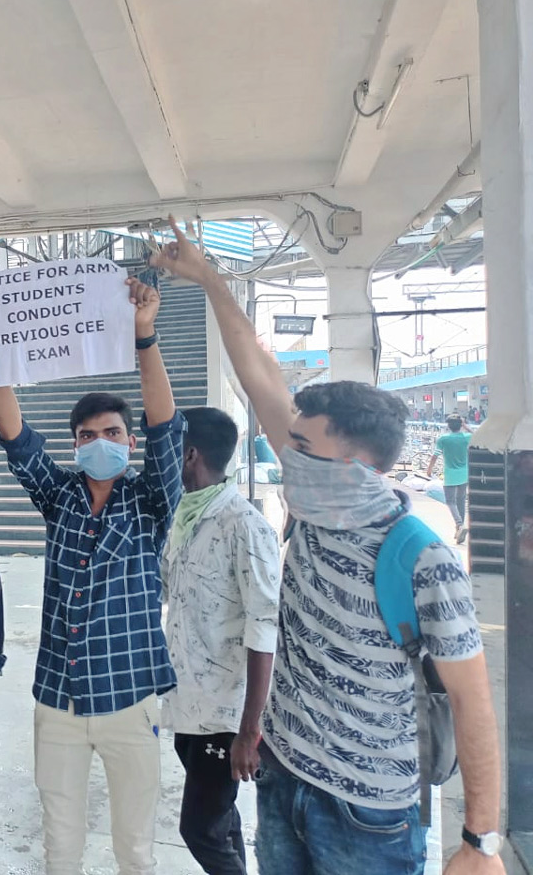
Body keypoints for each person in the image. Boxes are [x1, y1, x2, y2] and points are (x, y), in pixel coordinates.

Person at [153, 215, 505, 875]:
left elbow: (472, 699)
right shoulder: (314, 514)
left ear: (360, 465)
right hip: (283, 781)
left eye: (306, 449)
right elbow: (259, 375)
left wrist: (479, 840)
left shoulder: (423, 558)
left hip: (369, 811)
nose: (291, 457)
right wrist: (209, 280)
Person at [0, 277, 183, 875]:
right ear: (74, 445)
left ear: (129, 442)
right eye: (86, 436)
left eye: (111, 434)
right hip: (58, 703)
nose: (99, 443)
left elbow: (167, 429)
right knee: (60, 842)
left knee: (135, 848)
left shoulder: (150, 501)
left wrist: (145, 336)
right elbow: (15, 435)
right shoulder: (60, 498)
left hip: (131, 701)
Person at [161, 407, 281, 875]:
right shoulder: (185, 516)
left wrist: (250, 729)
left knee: (200, 829)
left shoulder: (244, 526)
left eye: (167, 446)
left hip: (227, 714)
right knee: (221, 820)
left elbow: (264, 628)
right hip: (188, 701)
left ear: (189, 454)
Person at [427, 413, 471, 544]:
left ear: (448, 426)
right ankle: (459, 528)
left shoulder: (443, 439)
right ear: (460, 425)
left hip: (450, 475)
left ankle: (459, 525)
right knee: (461, 501)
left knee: (450, 501)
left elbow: (435, 456)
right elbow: (476, 435)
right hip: (464, 474)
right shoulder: (466, 437)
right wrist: (465, 426)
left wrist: (429, 470)